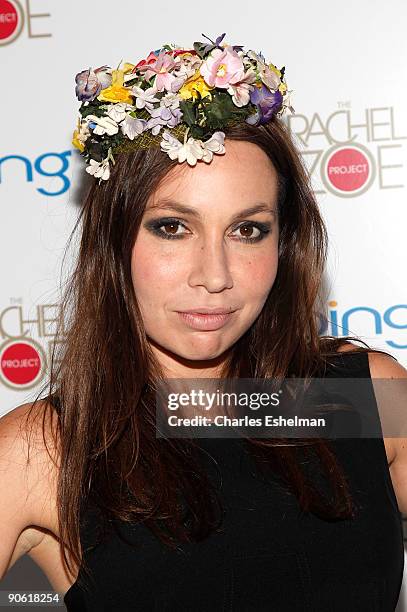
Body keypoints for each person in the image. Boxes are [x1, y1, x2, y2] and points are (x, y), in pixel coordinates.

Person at [1, 33, 406, 611]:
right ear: (114, 241)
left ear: (284, 242)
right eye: (172, 227)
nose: (214, 275)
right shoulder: (47, 449)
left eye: (248, 230)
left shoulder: (365, 398)